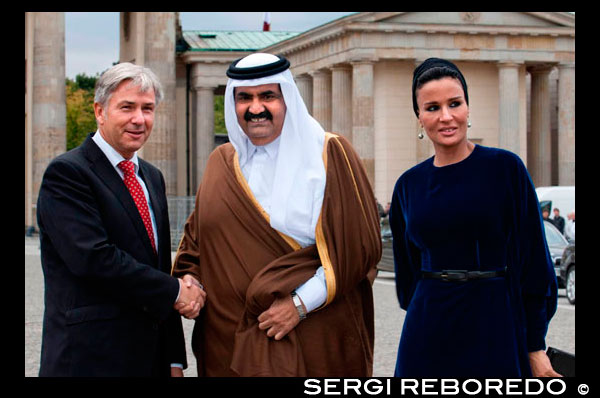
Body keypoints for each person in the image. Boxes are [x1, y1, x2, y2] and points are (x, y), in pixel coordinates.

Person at [172, 53, 381, 376]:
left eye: (268, 96)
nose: (256, 108)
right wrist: (190, 282)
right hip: (227, 342)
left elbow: (358, 249)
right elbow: (196, 246)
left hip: (312, 335)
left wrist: (298, 306)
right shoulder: (221, 163)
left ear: (287, 99)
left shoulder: (328, 154)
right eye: (245, 98)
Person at [389, 58, 559, 378]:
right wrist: (426, 304)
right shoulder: (408, 185)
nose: (446, 116)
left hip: (494, 319)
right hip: (428, 326)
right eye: (432, 107)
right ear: (419, 118)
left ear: (468, 107)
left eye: (455, 103)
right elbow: (406, 269)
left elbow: (535, 261)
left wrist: (534, 345)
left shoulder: (505, 169)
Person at [37, 62, 206, 377]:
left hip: (149, 361)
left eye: (147, 108)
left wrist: (173, 358)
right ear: (100, 111)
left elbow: (157, 268)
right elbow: (93, 259)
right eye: (127, 107)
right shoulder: (68, 173)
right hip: (89, 360)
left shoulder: (151, 178)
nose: (139, 119)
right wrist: (176, 291)